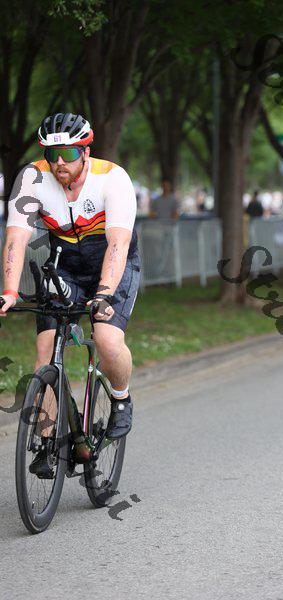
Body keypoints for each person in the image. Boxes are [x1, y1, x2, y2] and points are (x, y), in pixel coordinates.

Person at [0, 112, 140, 477]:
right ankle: (49, 442)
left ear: (86, 151)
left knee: (106, 339)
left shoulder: (112, 178)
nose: (60, 162)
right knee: (45, 353)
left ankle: (121, 399)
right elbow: (16, 238)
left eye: (69, 153)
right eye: (52, 154)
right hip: (64, 267)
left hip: (113, 263)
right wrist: (10, 292)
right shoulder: (32, 178)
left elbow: (118, 244)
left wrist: (104, 294)